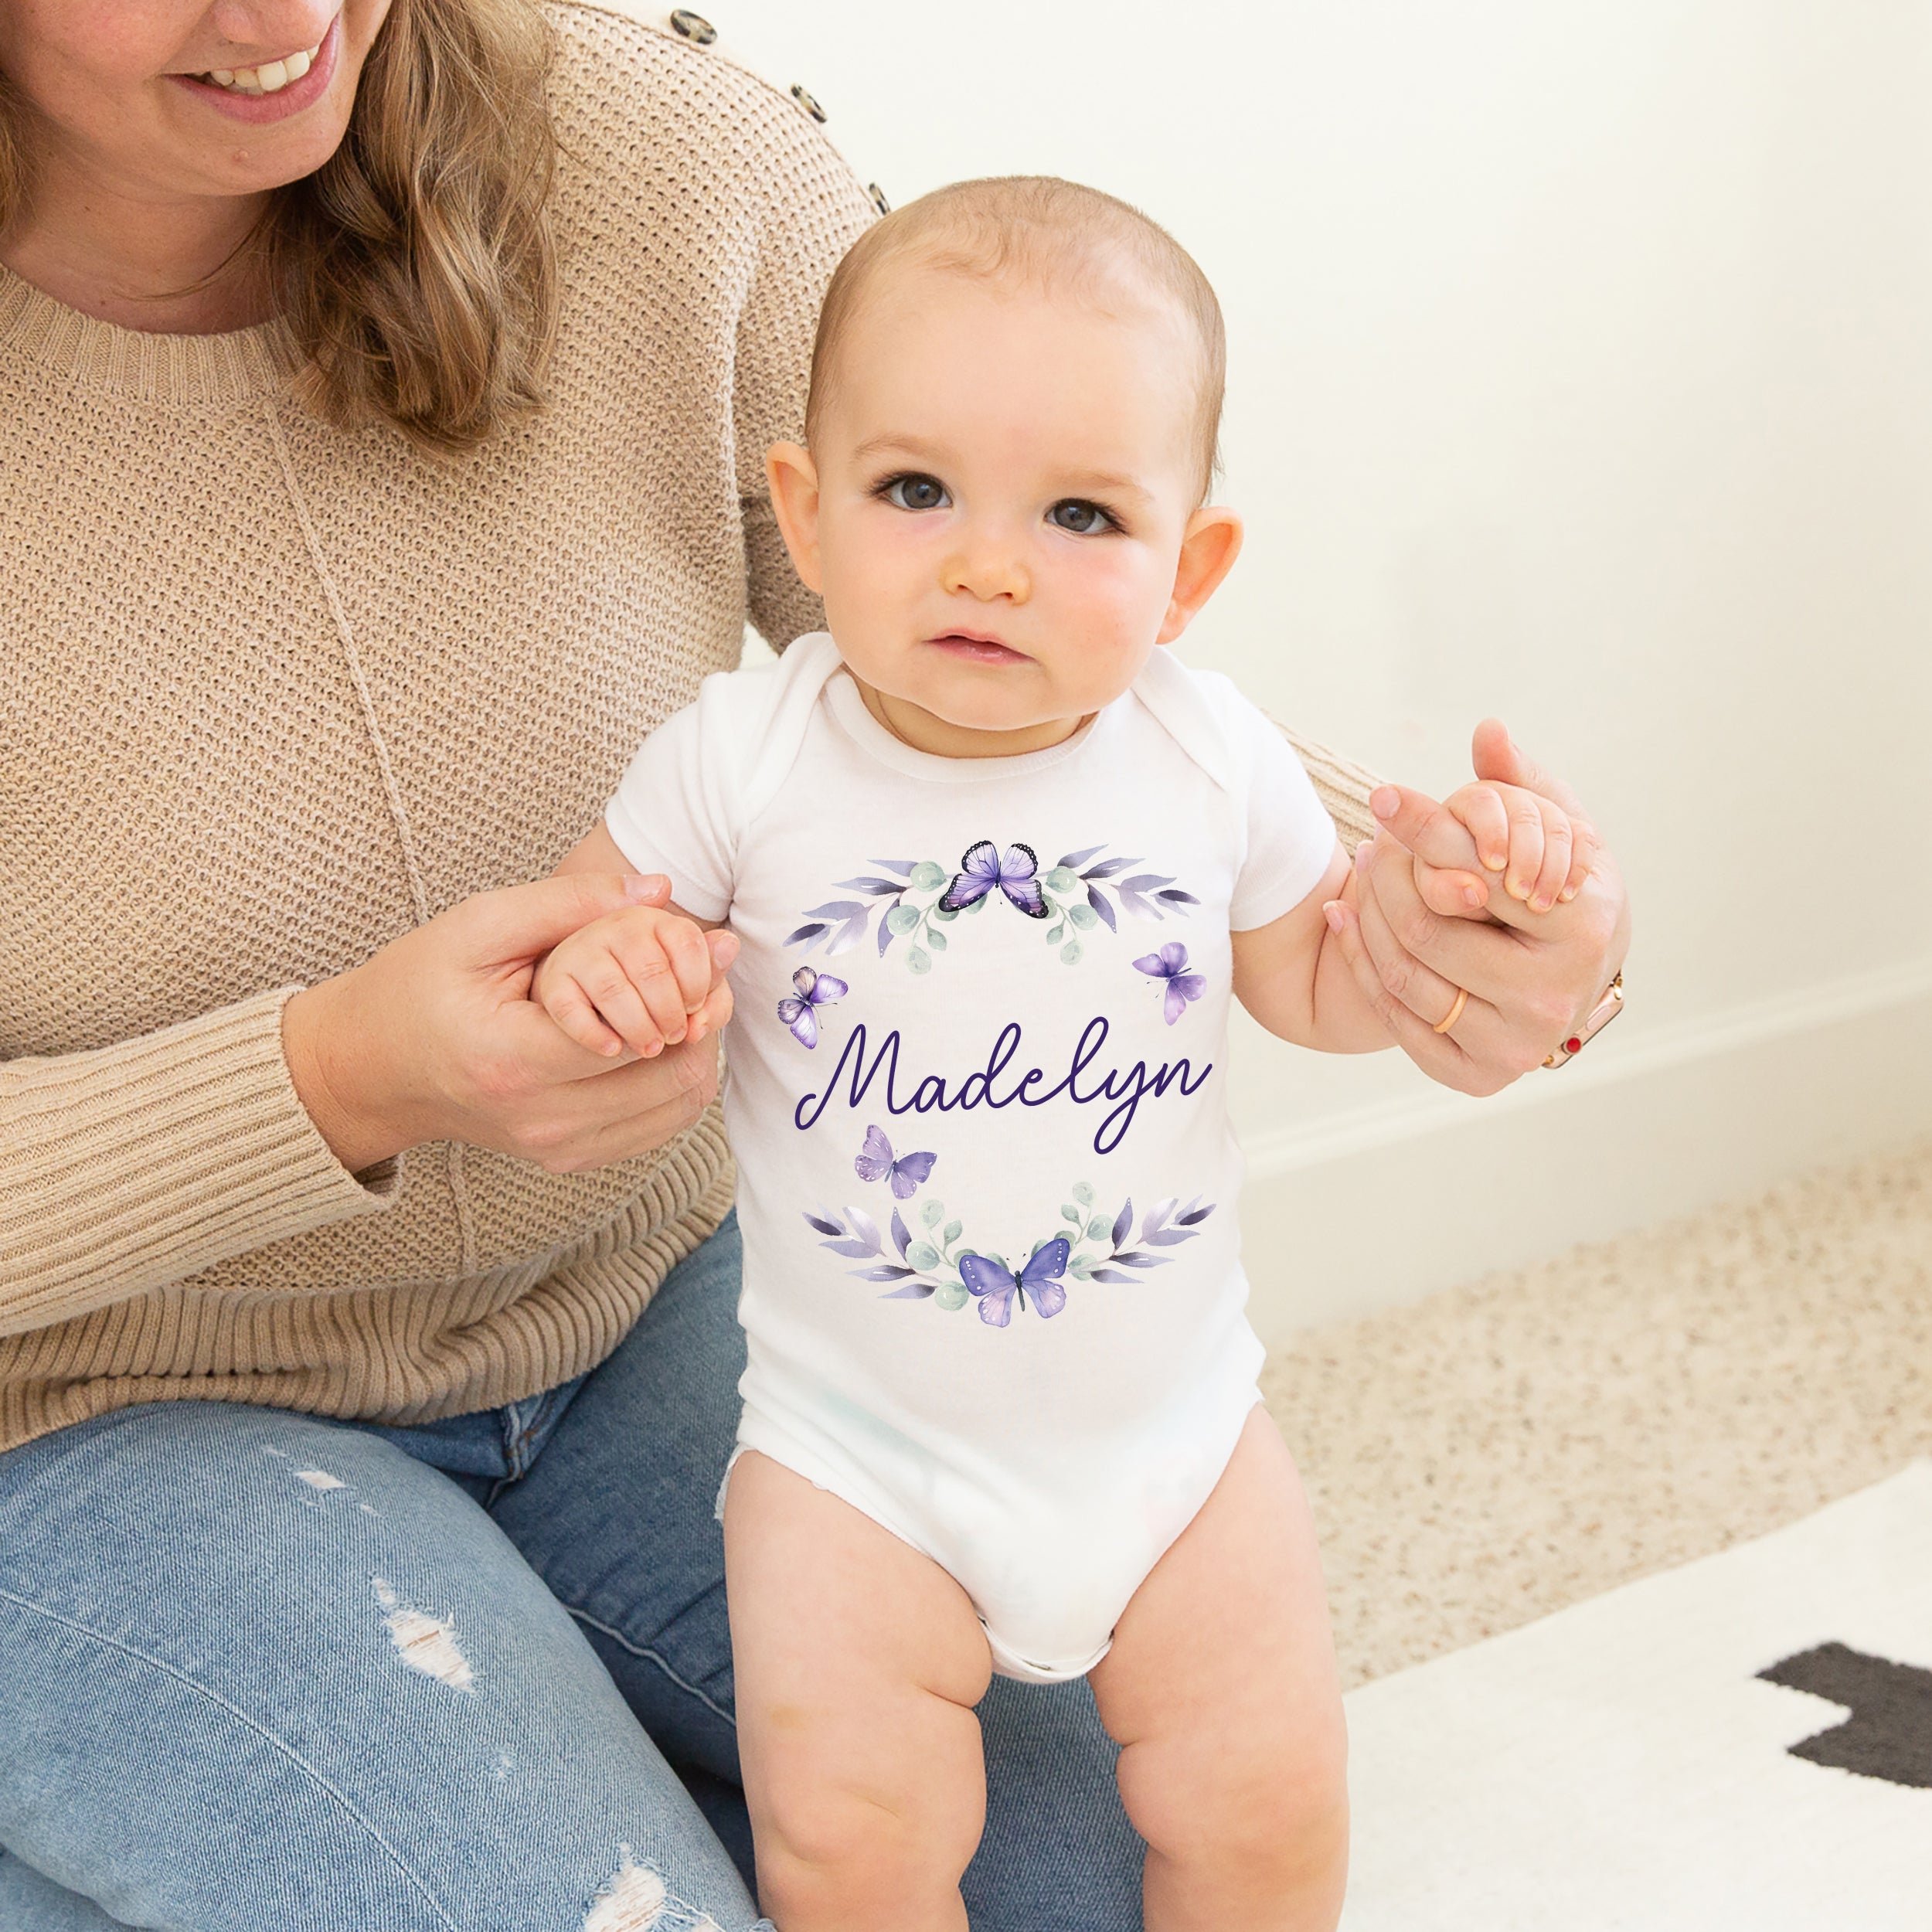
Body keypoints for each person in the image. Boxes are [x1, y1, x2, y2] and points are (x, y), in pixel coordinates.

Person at [0, 6, 1628, 1929]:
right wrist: (334, 1075)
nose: (281, 19)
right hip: (94, 1409)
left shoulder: (660, 162)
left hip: (648, 1314)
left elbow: (1053, 645)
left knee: (1123, 1867)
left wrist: (1481, 937)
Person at [532, 175, 1591, 1932]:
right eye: (914, 488)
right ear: (802, 509)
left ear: (1190, 572)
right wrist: (617, 959)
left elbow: (1315, 982)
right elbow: (582, 922)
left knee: (1262, 1805)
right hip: (849, 1461)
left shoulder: (1203, 752)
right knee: (853, 1841)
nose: (987, 559)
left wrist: (1447, 891)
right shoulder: (745, 757)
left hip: (1176, 1443)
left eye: (1081, 512)